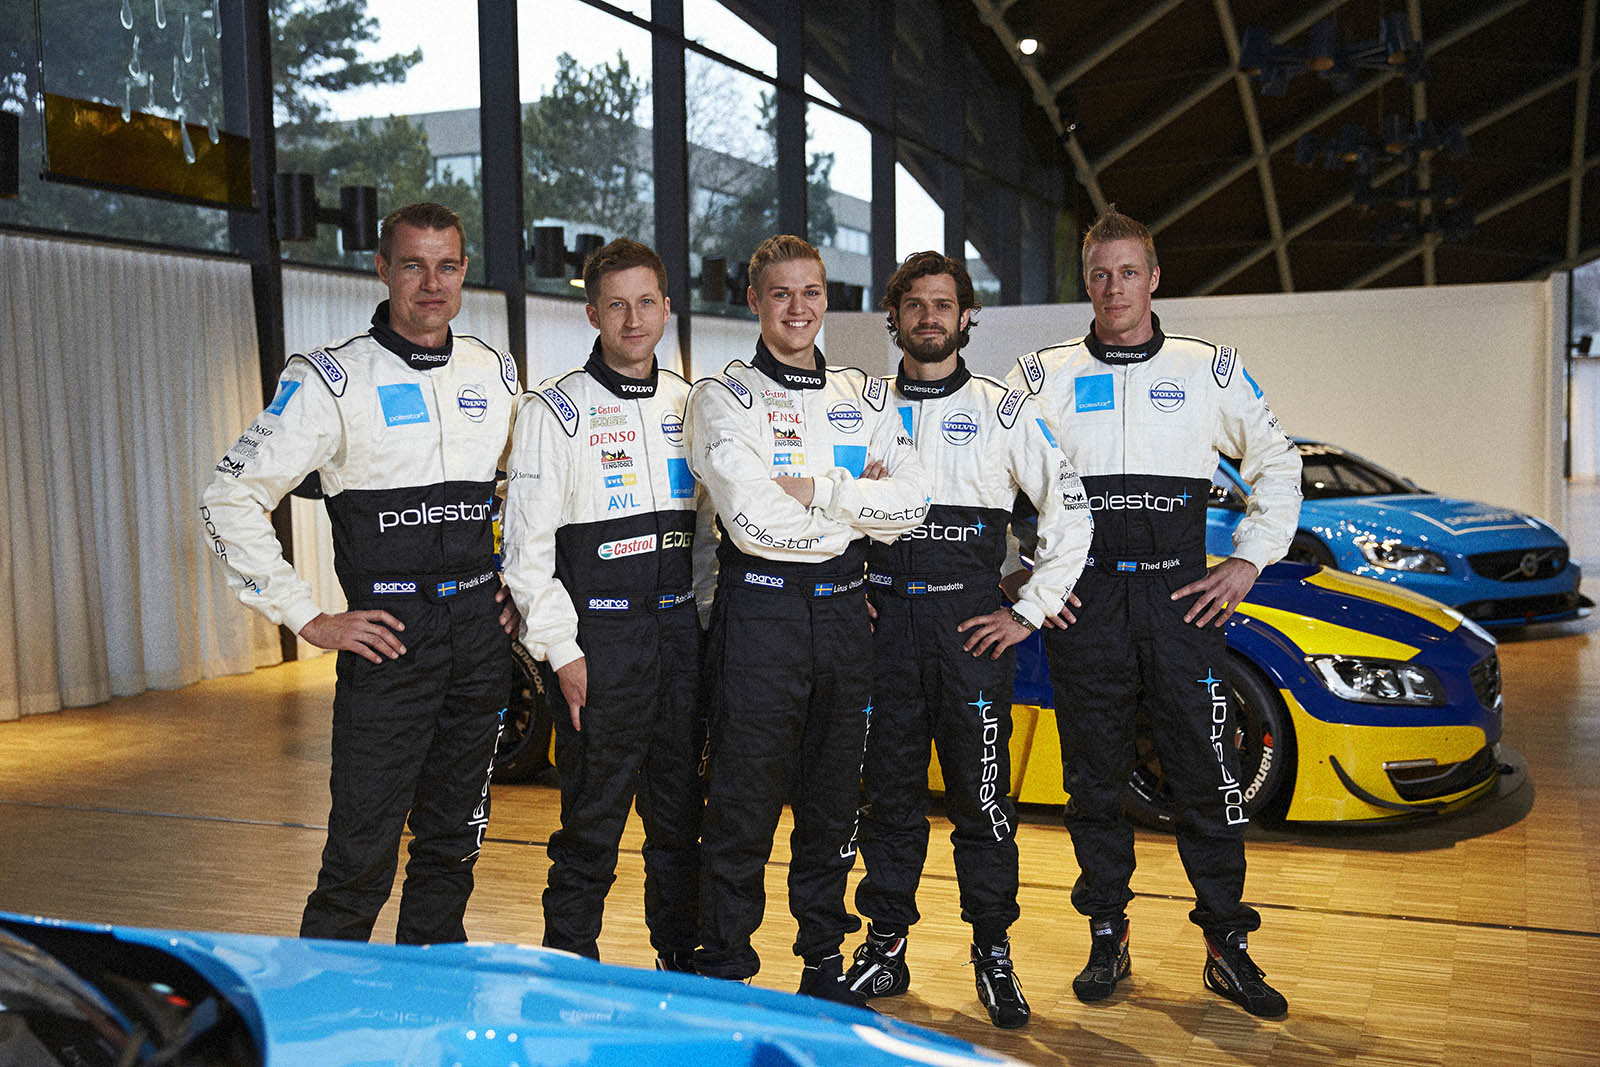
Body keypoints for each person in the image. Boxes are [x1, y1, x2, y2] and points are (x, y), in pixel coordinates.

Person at [1006, 206, 1302, 1017]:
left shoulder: (1208, 369)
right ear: (1087, 283)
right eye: (1100, 274)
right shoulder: (1043, 374)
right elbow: (985, 476)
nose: (1114, 288)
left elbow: (1279, 462)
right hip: (1088, 605)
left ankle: (1227, 945)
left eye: (1129, 272)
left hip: (1181, 602)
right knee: (1092, 781)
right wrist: (1029, 578)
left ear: (1155, 278)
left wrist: (1248, 559)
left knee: (1208, 776)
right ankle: (1108, 931)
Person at [200, 202, 522, 945]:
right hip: (391, 640)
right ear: (382, 270)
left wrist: (518, 585)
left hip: (480, 639)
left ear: (464, 273)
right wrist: (307, 617)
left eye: (447, 266)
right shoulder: (331, 379)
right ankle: (322, 1008)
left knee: (453, 849)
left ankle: (431, 997)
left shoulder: (493, 371)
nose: (431, 283)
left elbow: (533, 490)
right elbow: (229, 496)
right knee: (358, 858)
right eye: (413, 265)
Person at [843, 252, 1094, 1028]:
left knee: (982, 803)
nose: (929, 317)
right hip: (886, 635)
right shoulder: (858, 406)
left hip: (970, 637)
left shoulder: (1003, 409)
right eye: (915, 304)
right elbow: (814, 508)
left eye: (943, 304)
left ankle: (993, 951)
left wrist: (1028, 611)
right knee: (889, 801)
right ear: (893, 316)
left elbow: (1071, 512)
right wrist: (847, 585)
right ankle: (886, 944)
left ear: (965, 316)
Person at [685, 234, 931, 1004]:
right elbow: (753, 521)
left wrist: (818, 490)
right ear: (754, 301)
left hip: (844, 613)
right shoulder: (723, 396)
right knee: (742, 803)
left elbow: (913, 507)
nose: (799, 308)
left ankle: (823, 957)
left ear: (827, 298)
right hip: (760, 613)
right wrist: (859, 500)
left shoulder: (865, 395)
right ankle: (726, 961)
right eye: (782, 293)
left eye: (812, 292)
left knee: (831, 804)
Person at [500, 238, 710, 969]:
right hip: (601, 644)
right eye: (616, 305)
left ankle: (679, 966)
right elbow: (525, 553)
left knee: (679, 824)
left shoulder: (691, 403)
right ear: (592, 313)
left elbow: (717, 531)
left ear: (667, 308)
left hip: (679, 636)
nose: (633, 319)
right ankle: (569, 973)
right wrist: (563, 653)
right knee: (591, 827)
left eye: (646, 302)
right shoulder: (553, 409)